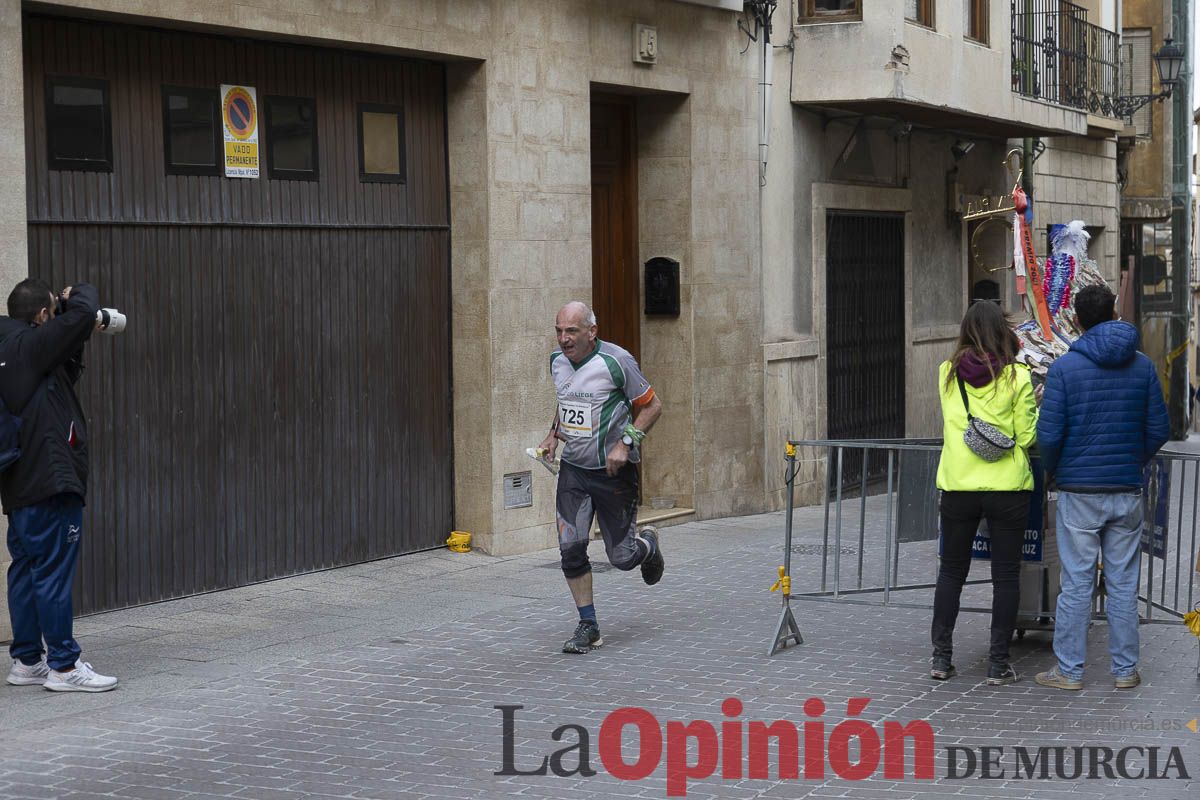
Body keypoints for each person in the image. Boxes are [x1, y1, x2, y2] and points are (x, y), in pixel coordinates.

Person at [1035, 284, 1168, 690]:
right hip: (1126, 489)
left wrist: (1056, 471)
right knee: (1124, 583)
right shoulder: (1142, 365)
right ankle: (1125, 671)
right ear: (1114, 313)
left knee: (1076, 583)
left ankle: (1069, 671)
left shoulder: (1063, 369)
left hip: (1079, 491)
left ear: (1075, 320)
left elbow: (1050, 435)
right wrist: (1134, 461)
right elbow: (1159, 429)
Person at [1, 279, 118, 692]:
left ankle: (28, 660)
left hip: (18, 480)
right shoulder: (33, 345)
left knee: (26, 569)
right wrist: (78, 294)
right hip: (50, 479)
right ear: (42, 316)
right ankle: (65, 668)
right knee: (52, 571)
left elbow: (62, 365)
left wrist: (66, 320)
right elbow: (85, 315)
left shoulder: (11, 347)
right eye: (53, 310)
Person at [536, 301, 664, 654]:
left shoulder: (617, 361)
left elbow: (653, 406)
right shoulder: (556, 362)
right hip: (575, 474)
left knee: (621, 558)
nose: (564, 339)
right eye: (559, 331)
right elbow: (567, 403)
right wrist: (553, 434)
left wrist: (627, 443)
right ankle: (588, 625)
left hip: (614, 475)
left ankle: (648, 545)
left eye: (571, 331)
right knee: (571, 551)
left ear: (591, 332)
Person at [931, 300, 1038, 685]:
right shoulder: (1018, 377)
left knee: (951, 572)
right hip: (1007, 487)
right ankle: (997, 663)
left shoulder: (947, 373)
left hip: (958, 484)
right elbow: (1026, 437)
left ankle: (941, 658)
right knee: (1005, 576)